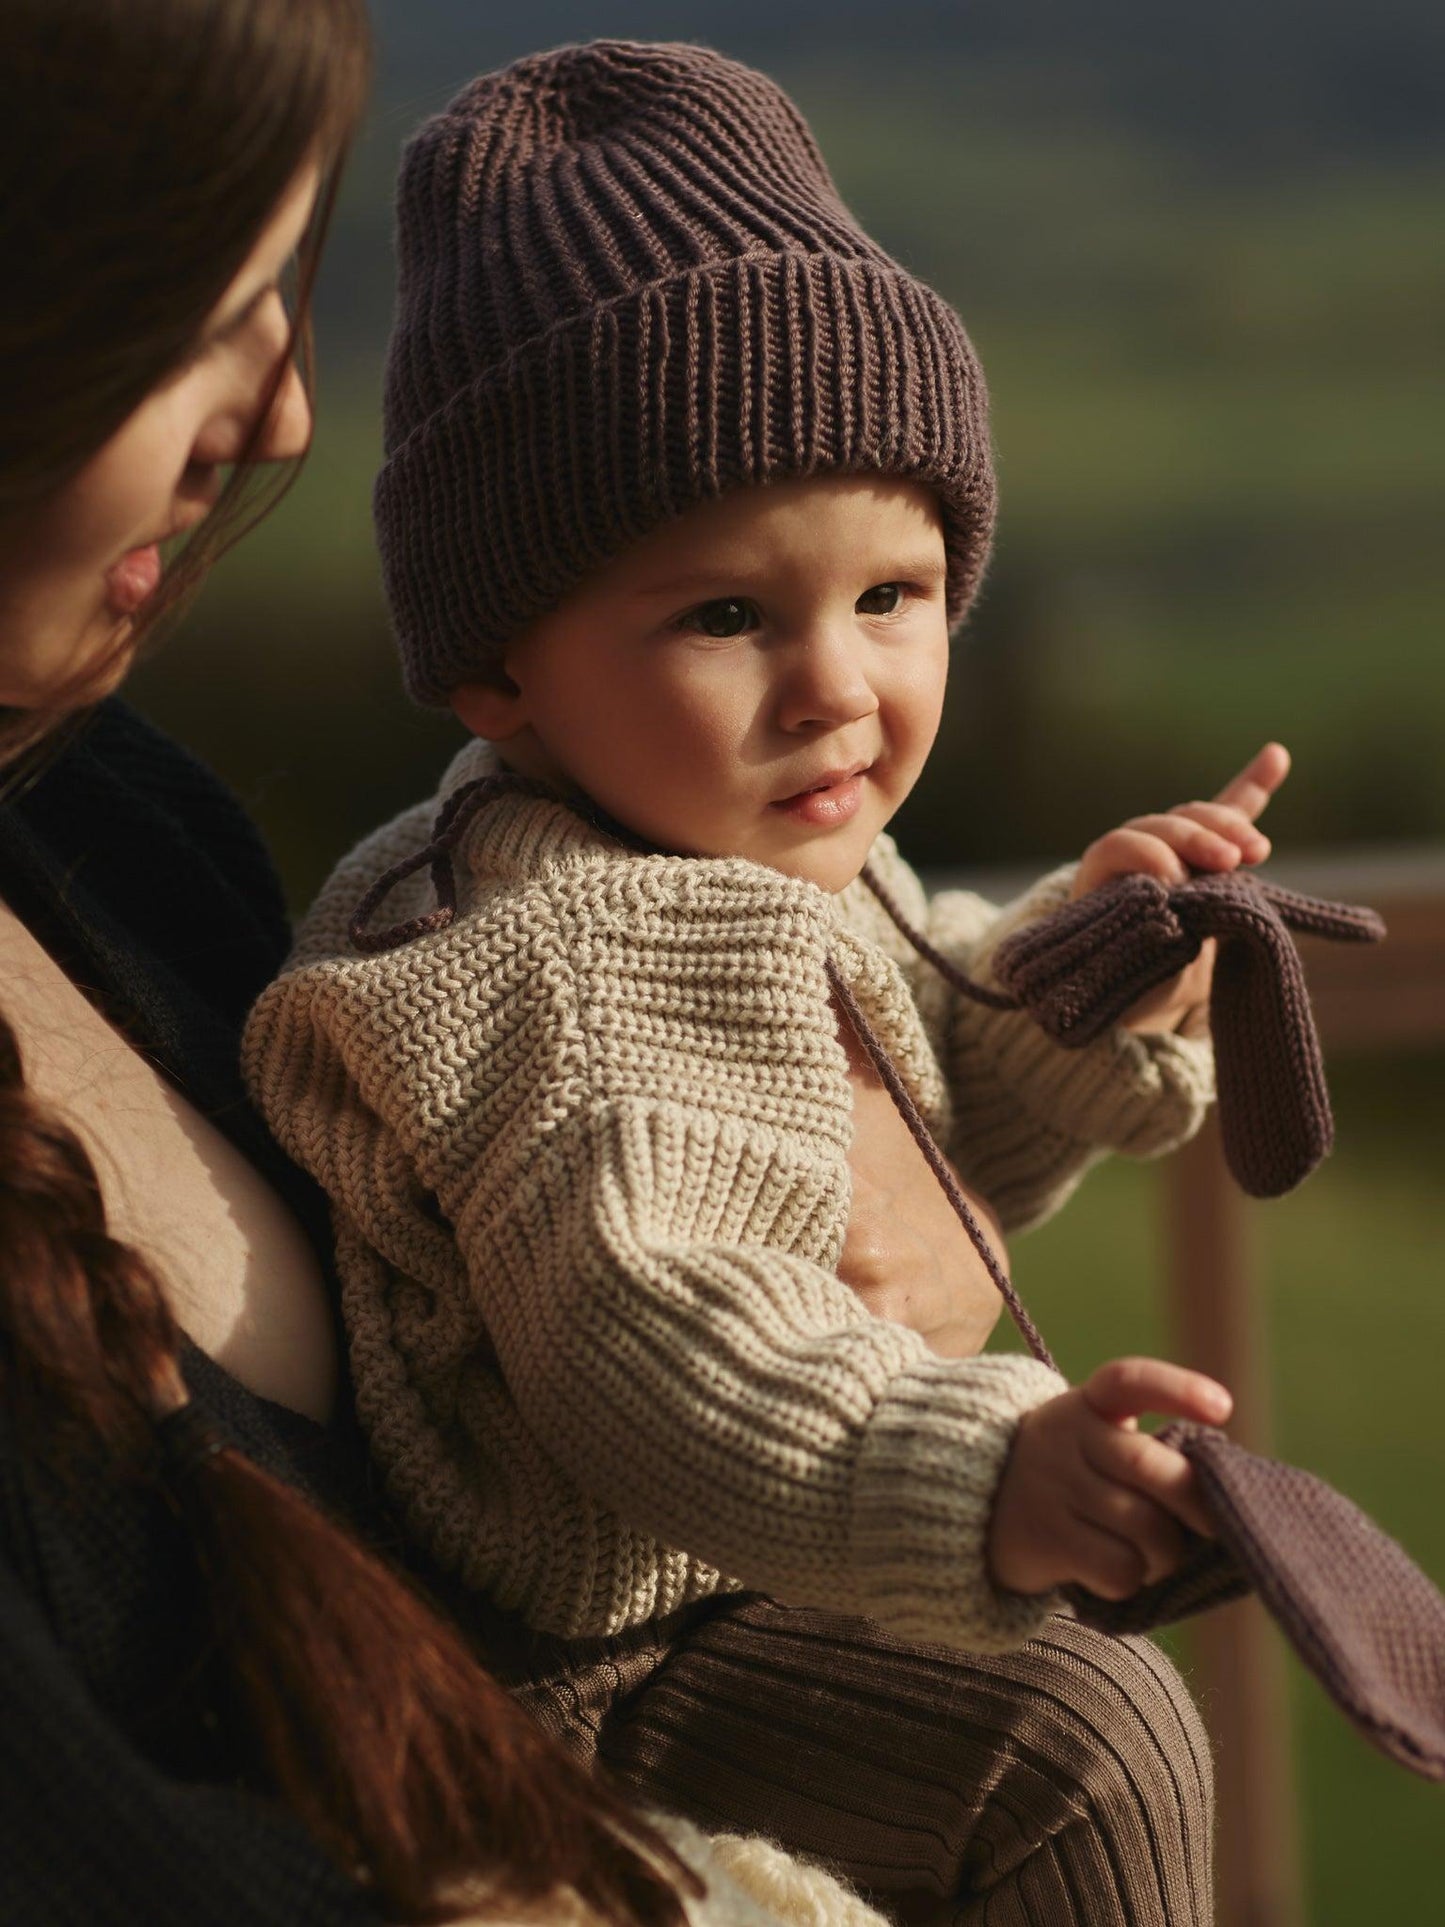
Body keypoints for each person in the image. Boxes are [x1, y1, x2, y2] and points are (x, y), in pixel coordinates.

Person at [244, 41, 1297, 1925]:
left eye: (890, 596)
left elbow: (897, 1121)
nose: (834, 686)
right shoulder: (549, 960)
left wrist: (1076, 992)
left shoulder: (751, 849)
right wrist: (976, 1467)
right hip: (575, 1670)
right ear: (497, 669)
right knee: (1081, 1735)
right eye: (727, 615)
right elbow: (652, 1323)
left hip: (766, 1576)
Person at [0, 8, 902, 1924]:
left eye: (287, 294)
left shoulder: (116, 828)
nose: (284, 417)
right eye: (197, 314)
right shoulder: (483, 950)